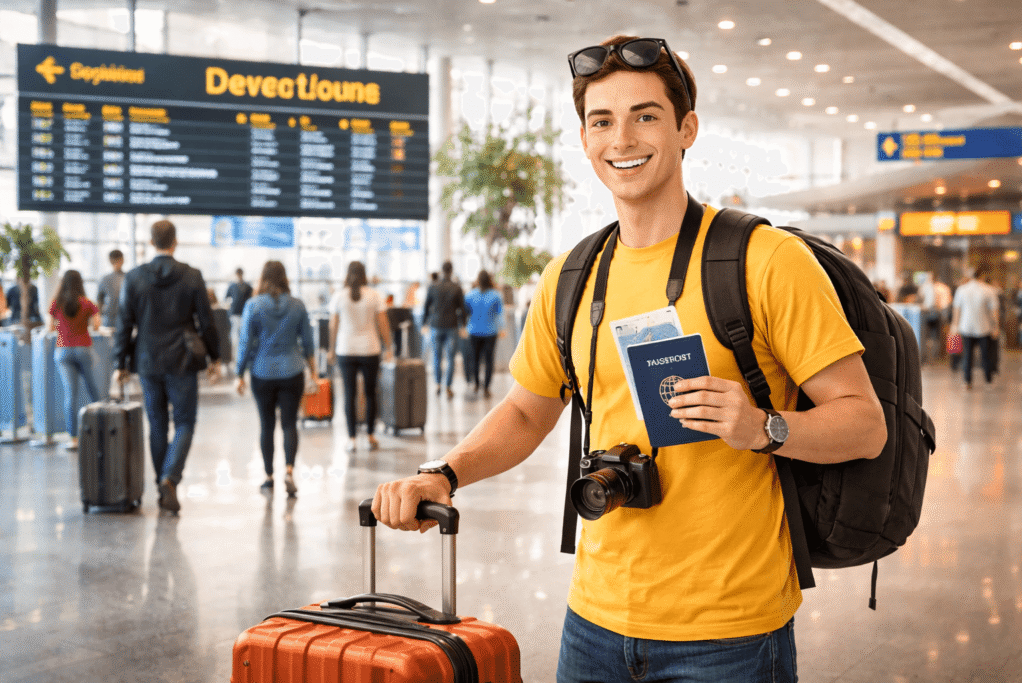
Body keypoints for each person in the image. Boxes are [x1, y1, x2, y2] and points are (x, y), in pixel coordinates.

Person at [371, 35, 887, 683]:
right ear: (585, 139)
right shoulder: (571, 277)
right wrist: (443, 473)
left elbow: (865, 424)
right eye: (602, 121)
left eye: (645, 116)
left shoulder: (766, 261)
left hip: (730, 632)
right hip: (595, 622)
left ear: (686, 129)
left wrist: (763, 426)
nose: (622, 139)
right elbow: (527, 413)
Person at [112, 220, 221, 514]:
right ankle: (169, 479)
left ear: (151, 243)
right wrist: (215, 357)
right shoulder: (192, 276)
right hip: (183, 360)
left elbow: (124, 323)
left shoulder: (134, 278)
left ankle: (163, 484)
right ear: (175, 242)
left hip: (147, 360)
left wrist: (119, 362)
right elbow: (206, 321)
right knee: (185, 422)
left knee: (157, 424)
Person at [235, 261, 316, 496]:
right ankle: (289, 472)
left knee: (267, 425)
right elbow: (308, 342)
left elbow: (245, 342)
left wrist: (239, 374)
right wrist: (313, 371)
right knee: (290, 423)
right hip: (292, 370)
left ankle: (269, 477)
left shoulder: (253, 305)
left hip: (262, 372)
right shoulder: (297, 305)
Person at [328, 261, 392, 453]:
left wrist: (331, 349)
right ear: (364, 275)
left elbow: (333, 325)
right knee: (371, 393)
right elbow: (383, 323)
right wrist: (389, 347)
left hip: (345, 350)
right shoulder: (374, 295)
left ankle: (351, 439)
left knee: (349, 394)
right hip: (370, 349)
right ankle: (371, 435)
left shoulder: (339, 296)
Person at [48, 270, 101, 449]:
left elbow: (50, 327)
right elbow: (97, 325)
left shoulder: (57, 303)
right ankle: (102, 429)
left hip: (63, 351)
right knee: (93, 390)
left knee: (70, 395)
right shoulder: (87, 303)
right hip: (83, 348)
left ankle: (73, 439)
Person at [950, 266, 999, 389]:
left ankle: (967, 382)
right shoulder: (989, 290)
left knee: (967, 355)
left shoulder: (962, 289)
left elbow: (957, 309)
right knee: (986, 355)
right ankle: (988, 381)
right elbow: (994, 311)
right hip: (984, 327)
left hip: (966, 326)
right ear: (982, 276)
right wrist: (995, 327)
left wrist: (954, 325)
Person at [422, 261, 465, 398]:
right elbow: (462, 309)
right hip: (452, 326)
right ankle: (448, 387)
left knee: (437, 356)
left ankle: (437, 384)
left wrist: (424, 323)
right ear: (451, 271)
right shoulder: (457, 287)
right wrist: (463, 325)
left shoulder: (433, 286)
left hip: (436, 325)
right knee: (451, 358)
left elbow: (426, 306)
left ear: (441, 270)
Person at [463, 270, 504, 398]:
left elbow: (465, 312)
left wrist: (463, 327)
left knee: (475, 359)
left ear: (478, 280)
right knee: (489, 360)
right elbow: (500, 314)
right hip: (490, 332)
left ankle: (476, 384)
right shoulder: (496, 295)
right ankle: (486, 387)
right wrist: (502, 329)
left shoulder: (470, 295)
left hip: (473, 331)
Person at [225, 267, 254, 356]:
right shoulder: (232, 286)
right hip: (234, 313)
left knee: (243, 335)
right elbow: (226, 298)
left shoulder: (247, 286)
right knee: (235, 335)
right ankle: (236, 355)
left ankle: (241, 354)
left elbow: (251, 299)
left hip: (244, 313)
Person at [97, 249, 126, 330]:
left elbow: (99, 301)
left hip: (123, 319)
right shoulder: (105, 279)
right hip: (109, 320)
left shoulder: (128, 277)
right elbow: (99, 301)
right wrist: (98, 318)